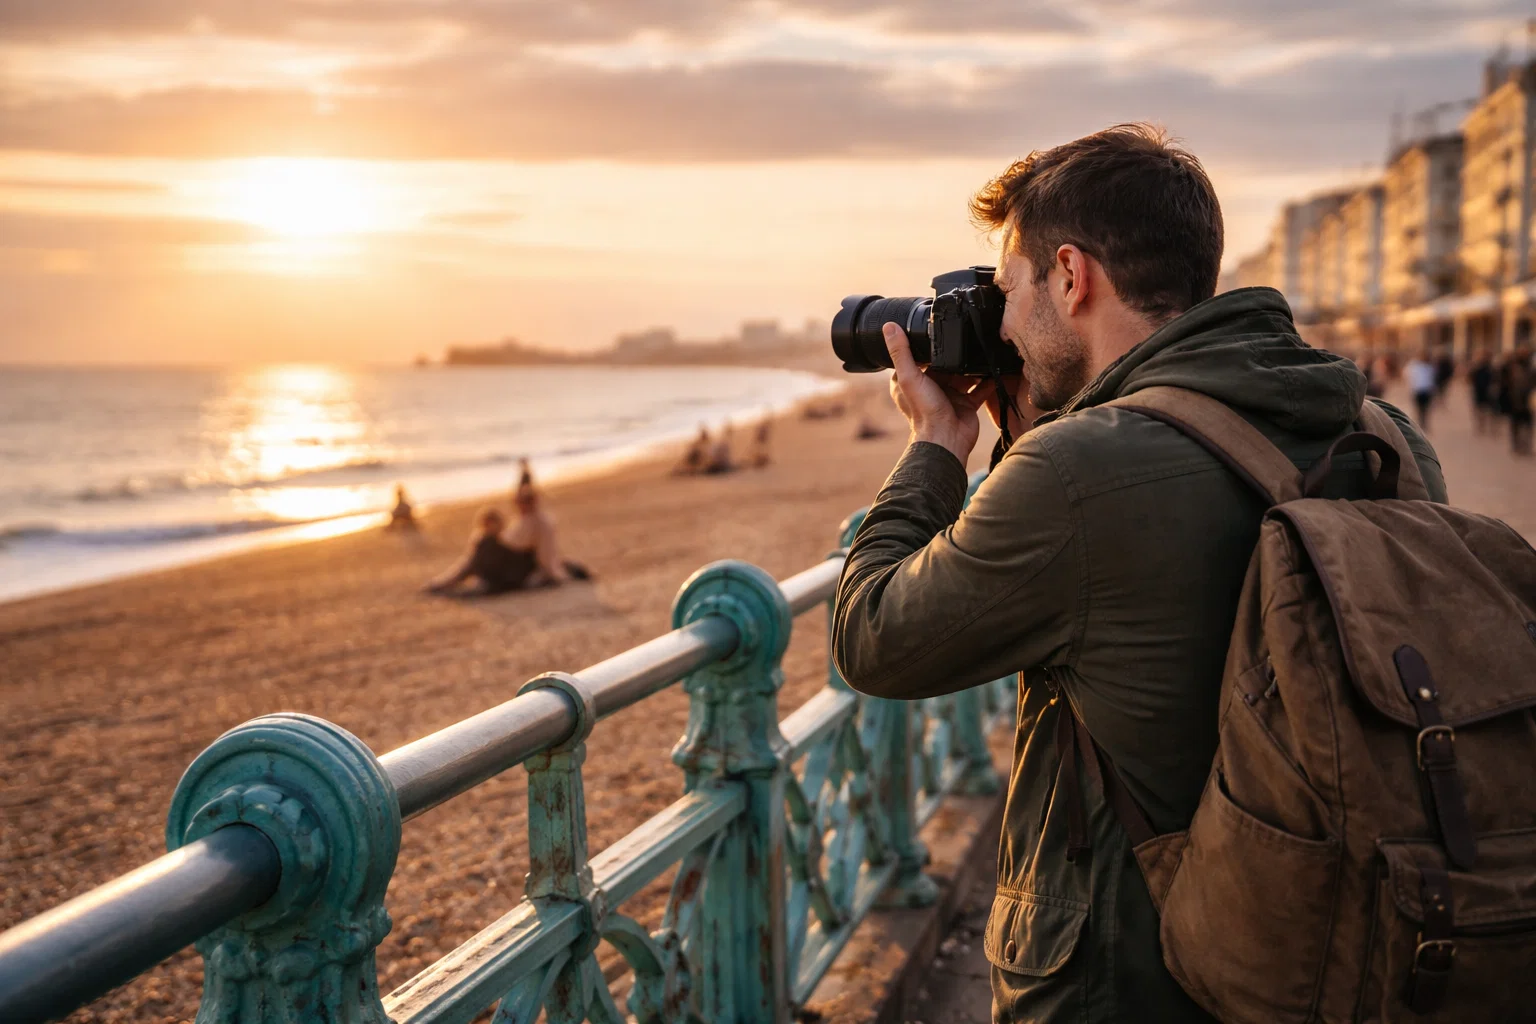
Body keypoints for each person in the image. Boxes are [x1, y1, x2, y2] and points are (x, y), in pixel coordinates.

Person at [829, 124, 1444, 1023]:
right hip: (1363, 953)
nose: (1000, 324)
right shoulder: (1388, 434)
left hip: (1133, 979)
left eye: (1009, 289)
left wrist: (938, 446)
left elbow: (871, 640)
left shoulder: (1077, 476)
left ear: (1070, 277)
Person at [1504, 347, 1535, 455]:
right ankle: (1516, 445)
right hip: (1514, 400)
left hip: (1527, 400)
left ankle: (1526, 445)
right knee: (1515, 424)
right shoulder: (1512, 367)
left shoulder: (1532, 367)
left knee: (1527, 424)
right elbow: (1505, 382)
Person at [1405, 347, 1438, 431]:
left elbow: (1433, 378)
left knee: (1426, 408)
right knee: (1418, 408)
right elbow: (1407, 376)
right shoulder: (1413, 365)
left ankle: (1425, 423)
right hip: (1417, 389)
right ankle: (1419, 423)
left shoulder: (1430, 366)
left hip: (1427, 390)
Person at [1470, 347, 1496, 434]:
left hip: (1488, 390)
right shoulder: (1477, 366)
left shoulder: (1491, 367)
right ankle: (1481, 425)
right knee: (1480, 409)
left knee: (1488, 410)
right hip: (1479, 390)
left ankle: (1487, 426)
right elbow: (1471, 378)